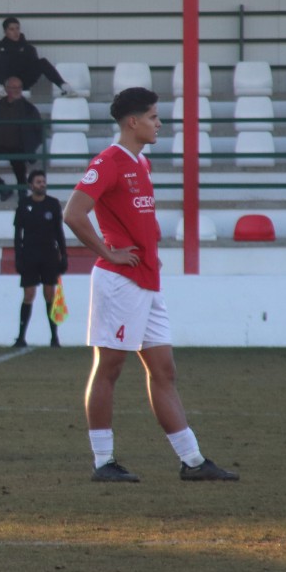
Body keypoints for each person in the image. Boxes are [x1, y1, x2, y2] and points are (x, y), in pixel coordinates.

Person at [63, 87, 239, 484]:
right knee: (109, 368)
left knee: (164, 370)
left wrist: (149, 248)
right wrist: (108, 252)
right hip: (120, 283)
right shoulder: (109, 161)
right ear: (133, 122)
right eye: (154, 117)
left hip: (146, 282)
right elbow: (73, 213)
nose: (159, 123)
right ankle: (102, 462)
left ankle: (192, 462)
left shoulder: (141, 163)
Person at [12, 170, 67, 348]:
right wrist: (18, 256)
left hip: (49, 254)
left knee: (49, 294)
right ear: (31, 185)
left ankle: (54, 337)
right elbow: (17, 234)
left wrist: (64, 255)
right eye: (38, 182)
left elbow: (59, 232)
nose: (42, 184)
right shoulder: (24, 204)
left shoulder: (52, 204)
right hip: (29, 254)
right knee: (29, 294)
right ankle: (21, 337)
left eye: (43, 181)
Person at [0, 77, 44, 201]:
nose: (17, 90)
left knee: (18, 161)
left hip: (18, 146)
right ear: (7, 89)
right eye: (13, 87)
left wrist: (30, 148)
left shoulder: (29, 109)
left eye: (19, 87)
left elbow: (38, 131)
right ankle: (2, 188)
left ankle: (22, 190)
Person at [0, 16, 77, 99]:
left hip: (22, 82)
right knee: (2, 54)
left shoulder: (28, 48)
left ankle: (64, 86)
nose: (16, 32)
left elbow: (34, 69)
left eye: (17, 28)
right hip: (3, 83)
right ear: (5, 31)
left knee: (42, 62)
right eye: (12, 29)